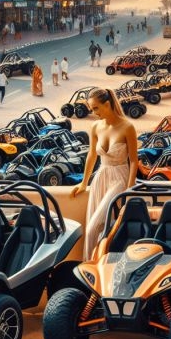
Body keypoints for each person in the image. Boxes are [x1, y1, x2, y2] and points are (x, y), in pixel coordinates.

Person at [71, 88, 140, 259]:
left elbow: (133, 161)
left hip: (119, 179)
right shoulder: (95, 127)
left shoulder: (127, 127)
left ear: (107, 104)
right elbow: (92, 155)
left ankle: (96, 264)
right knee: (97, 228)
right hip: (101, 177)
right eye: (91, 108)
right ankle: (94, 266)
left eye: (95, 108)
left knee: (94, 227)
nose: (93, 113)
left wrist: (130, 189)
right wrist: (84, 182)